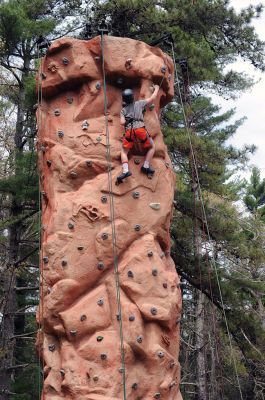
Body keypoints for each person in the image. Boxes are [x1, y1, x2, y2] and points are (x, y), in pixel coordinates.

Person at [116, 84, 160, 184]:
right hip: (140, 130)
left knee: (124, 152)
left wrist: (127, 118)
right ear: (132, 97)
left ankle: (126, 170)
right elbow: (152, 98)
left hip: (130, 131)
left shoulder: (123, 110)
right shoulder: (139, 104)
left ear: (124, 100)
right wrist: (156, 89)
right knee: (152, 147)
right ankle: (146, 165)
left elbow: (122, 123)